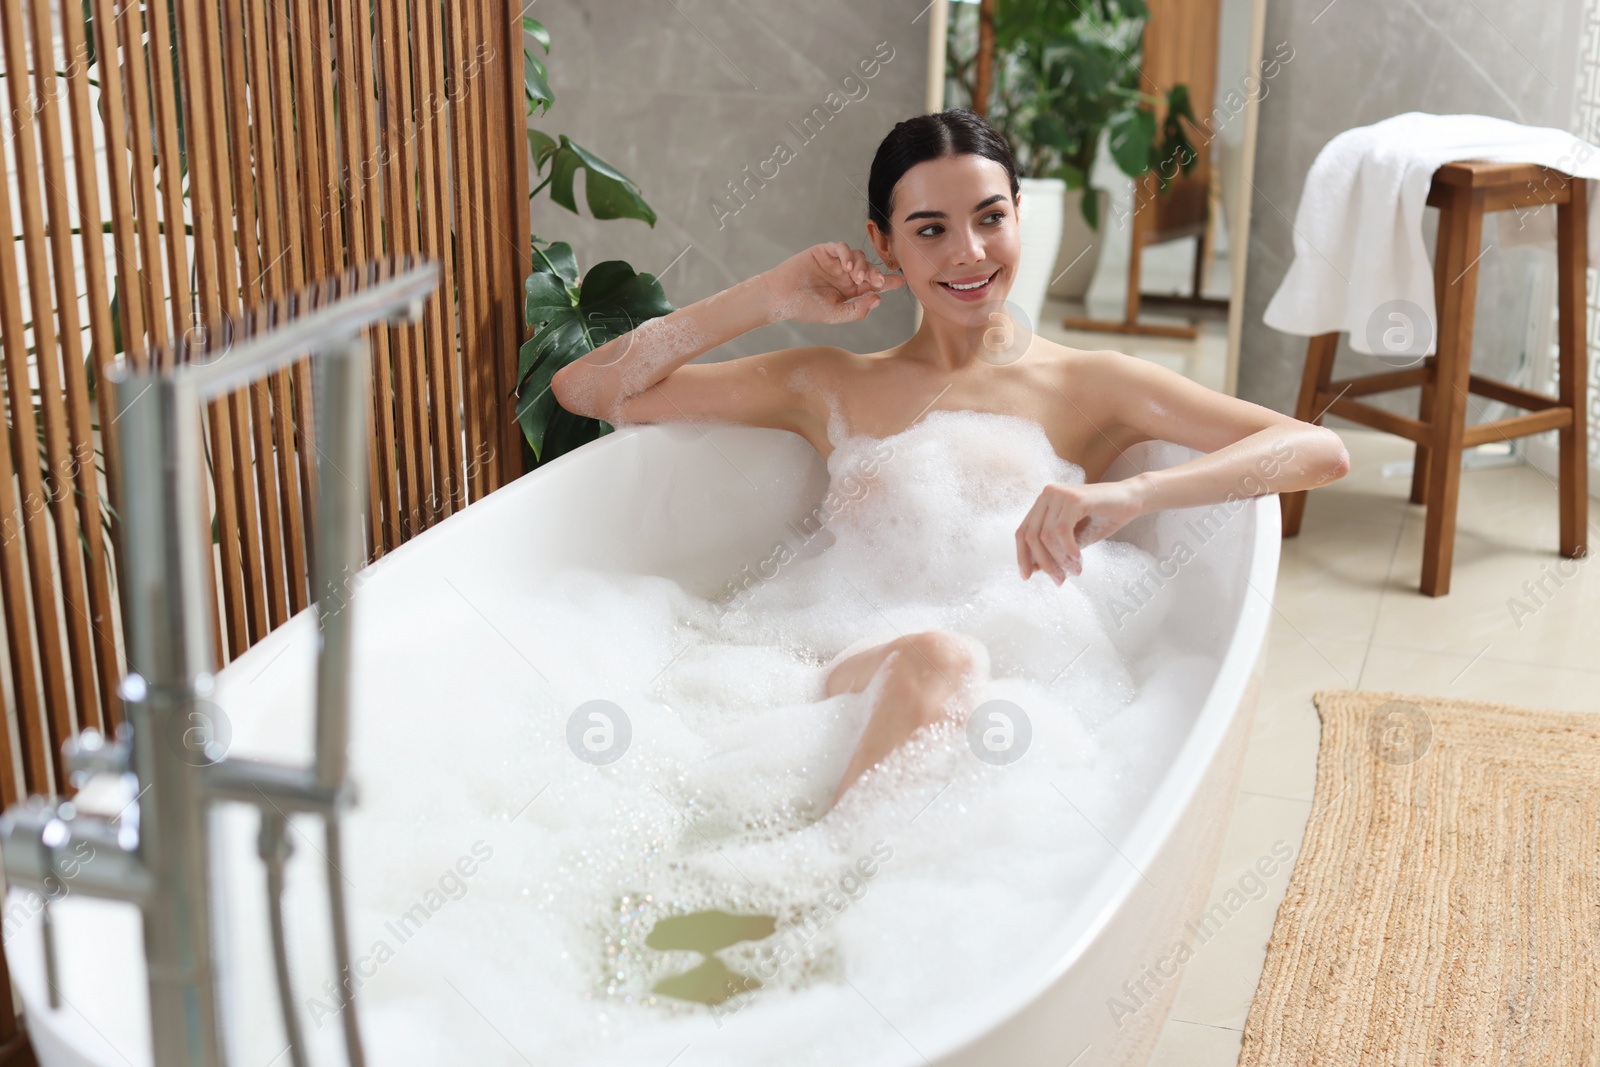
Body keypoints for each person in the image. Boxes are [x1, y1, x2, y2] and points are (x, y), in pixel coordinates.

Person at [552, 108, 1348, 807]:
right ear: (882, 243)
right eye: (930, 229)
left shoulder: (1089, 383)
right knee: (940, 654)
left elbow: (1317, 448)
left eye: (990, 217)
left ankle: (828, 873)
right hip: (823, 672)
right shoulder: (827, 383)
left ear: (1019, 216)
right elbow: (587, 386)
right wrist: (770, 296)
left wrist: (1137, 492)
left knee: (945, 657)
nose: (968, 253)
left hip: (1021, 698)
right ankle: (817, 872)